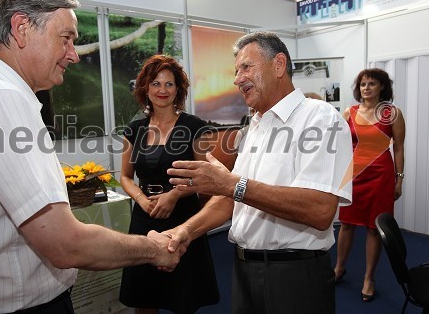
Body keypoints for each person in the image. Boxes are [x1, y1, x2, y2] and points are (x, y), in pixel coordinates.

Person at [0, 0, 185, 313]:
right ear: (21, 29)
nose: (74, 55)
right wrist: (152, 248)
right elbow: (64, 244)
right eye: (65, 39)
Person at [165, 31, 353, 314]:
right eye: (236, 70)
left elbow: (320, 210)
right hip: (243, 271)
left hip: (295, 277)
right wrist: (185, 231)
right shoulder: (256, 125)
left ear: (278, 65)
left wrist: (232, 184)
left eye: (246, 67)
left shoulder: (321, 119)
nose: (237, 78)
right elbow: (231, 198)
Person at [119, 54, 219, 314]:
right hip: (145, 217)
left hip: (183, 217)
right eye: (155, 83)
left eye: (169, 84)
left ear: (178, 89)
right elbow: (126, 177)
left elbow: (208, 177)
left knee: (183, 295)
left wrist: (174, 195)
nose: (162, 90)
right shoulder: (134, 129)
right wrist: (141, 200)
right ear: (145, 88)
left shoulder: (195, 126)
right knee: (145, 297)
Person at [334, 68, 405, 302]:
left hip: (381, 176)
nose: (366, 88)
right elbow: (337, 145)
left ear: (382, 87)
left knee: (375, 228)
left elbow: (398, 148)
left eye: (372, 84)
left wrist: (399, 178)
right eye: (363, 84)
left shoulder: (392, 113)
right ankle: (339, 268)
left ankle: (369, 278)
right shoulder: (349, 112)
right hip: (354, 174)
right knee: (346, 224)